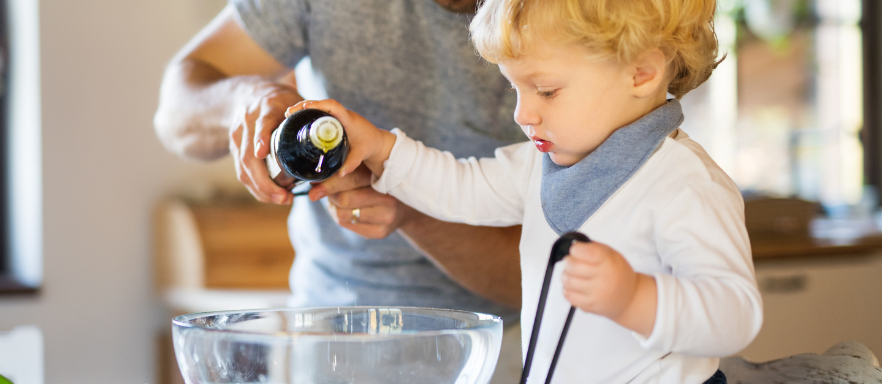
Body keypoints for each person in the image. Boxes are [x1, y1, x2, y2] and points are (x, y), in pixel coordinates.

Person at [289, 0, 764, 382]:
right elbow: (461, 187)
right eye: (516, 89)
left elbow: (736, 314)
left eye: (546, 90)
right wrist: (381, 147)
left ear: (641, 73)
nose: (522, 113)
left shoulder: (685, 185)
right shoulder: (539, 165)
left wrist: (635, 297)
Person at [153, 0, 526, 381]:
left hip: (488, 350)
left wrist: (413, 209)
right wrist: (243, 101)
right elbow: (174, 114)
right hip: (326, 335)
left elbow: (533, 278)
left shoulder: (556, 18)